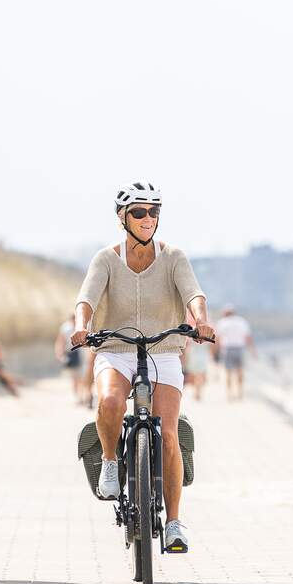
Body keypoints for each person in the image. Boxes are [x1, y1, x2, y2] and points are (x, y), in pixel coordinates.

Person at [71, 181, 214, 554]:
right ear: (123, 218)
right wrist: (81, 327)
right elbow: (86, 298)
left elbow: (193, 293)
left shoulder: (174, 257)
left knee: (169, 433)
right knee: (110, 403)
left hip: (164, 349)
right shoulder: (105, 259)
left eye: (153, 212)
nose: (147, 218)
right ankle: (109, 462)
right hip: (115, 349)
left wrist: (200, 320)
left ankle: (175, 523)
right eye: (139, 212)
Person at [215, 304, 257, 401]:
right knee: (240, 371)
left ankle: (230, 394)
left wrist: (215, 352)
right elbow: (248, 337)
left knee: (228, 372)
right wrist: (253, 351)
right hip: (239, 348)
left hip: (228, 348)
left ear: (225, 313)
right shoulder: (241, 321)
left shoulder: (222, 322)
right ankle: (240, 392)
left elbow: (218, 339)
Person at [55, 314, 90, 407]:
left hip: (83, 354)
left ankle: (84, 396)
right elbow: (60, 341)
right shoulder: (65, 328)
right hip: (72, 354)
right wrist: (59, 354)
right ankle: (78, 397)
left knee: (83, 377)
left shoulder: (84, 327)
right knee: (75, 378)